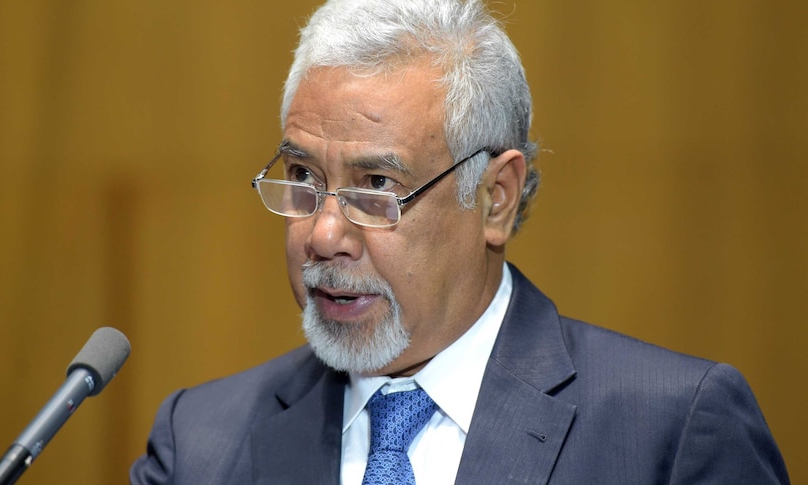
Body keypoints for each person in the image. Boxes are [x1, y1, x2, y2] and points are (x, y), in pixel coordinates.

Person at [130, 0, 789, 483]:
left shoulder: (667, 435)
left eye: (376, 184)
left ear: (495, 197)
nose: (323, 233)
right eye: (302, 176)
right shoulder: (202, 444)